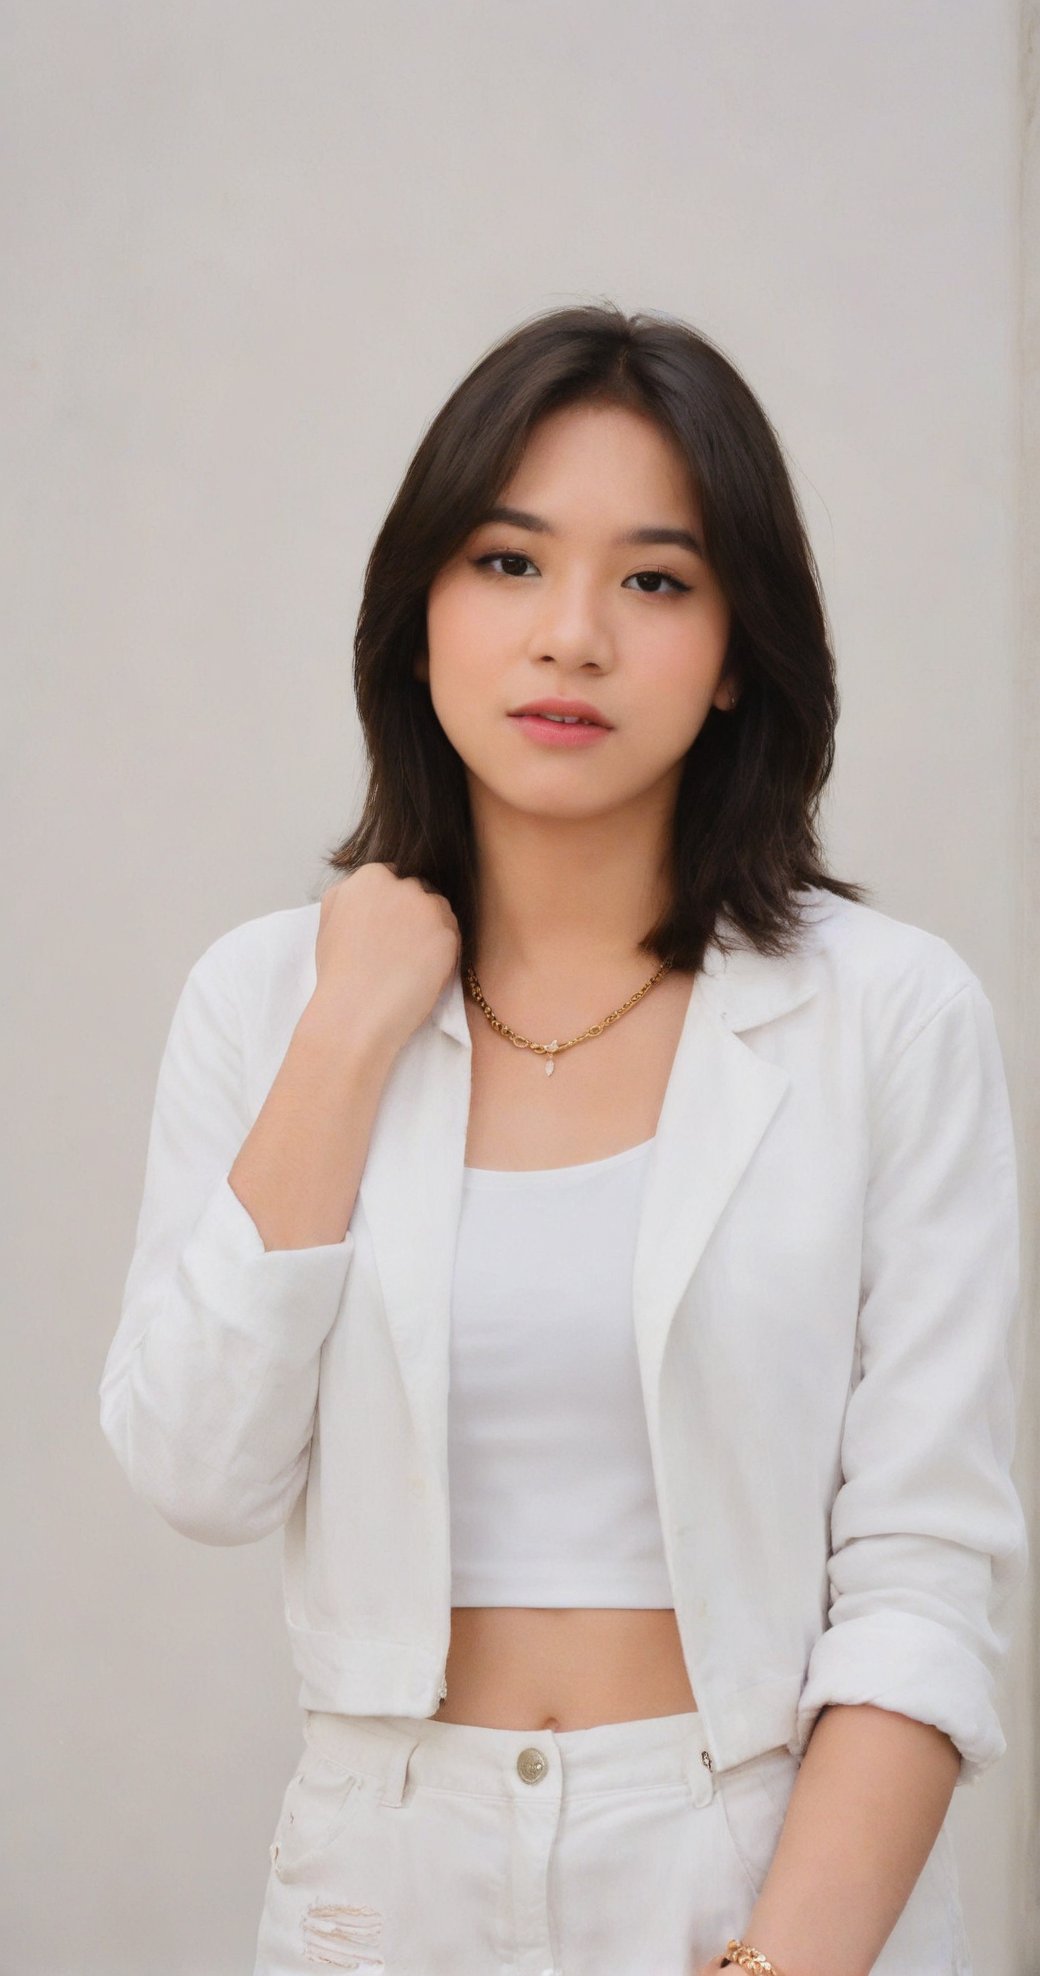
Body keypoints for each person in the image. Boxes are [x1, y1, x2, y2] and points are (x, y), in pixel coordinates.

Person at [99, 303, 1027, 1975]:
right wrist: (346, 1028)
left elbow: (922, 1570)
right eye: (510, 564)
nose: (573, 637)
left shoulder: (888, 1015)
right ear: (423, 610)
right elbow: (195, 1466)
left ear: (738, 645)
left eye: (656, 581)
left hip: (756, 1861)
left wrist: (784, 1963)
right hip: (382, 1874)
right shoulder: (266, 999)